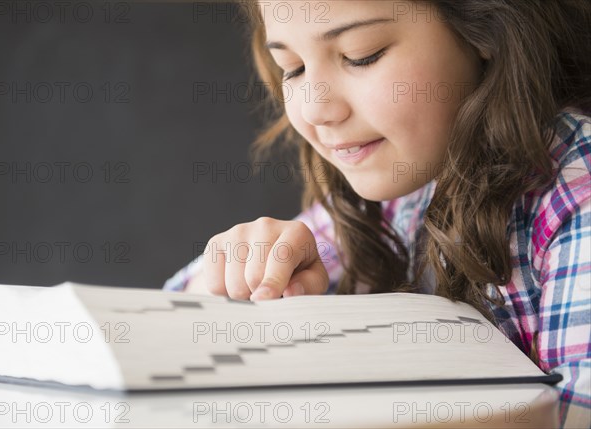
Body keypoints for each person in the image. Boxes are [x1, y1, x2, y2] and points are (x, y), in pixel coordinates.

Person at [164, 1, 590, 426]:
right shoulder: (396, 190)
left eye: (360, 55)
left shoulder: (576, 188)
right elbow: (173, 308)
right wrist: (248, 269)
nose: (315, 109)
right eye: (292, 68)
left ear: (485, 28)